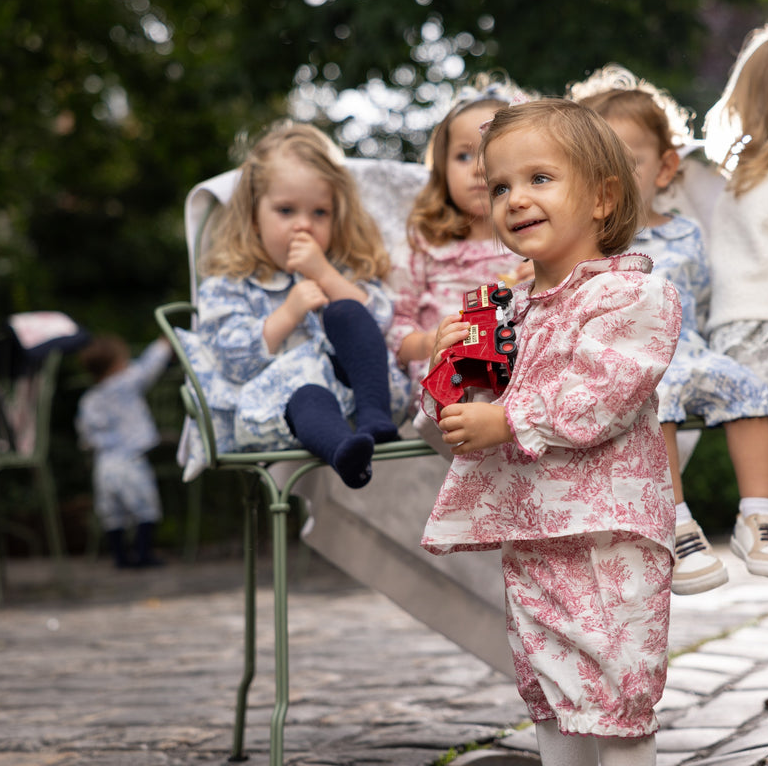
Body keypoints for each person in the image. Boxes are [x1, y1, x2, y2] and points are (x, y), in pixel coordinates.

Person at [420, 99, 682, 765]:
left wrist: (507, 417)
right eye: (501, 185)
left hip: (607, 536)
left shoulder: (630, 297)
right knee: (552, 689)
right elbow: (452, 428)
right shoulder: (505, 310)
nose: (512, 199)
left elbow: (605, 394)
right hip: (533, 534)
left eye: (540, 179)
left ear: (602, 197)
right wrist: (452, 373)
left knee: (617, 684)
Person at [571, 65, 768, 594]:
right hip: (634, 359)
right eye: (595, 164)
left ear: (664, 169)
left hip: (691, 348)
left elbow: (703, 298)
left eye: (629, 161)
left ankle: (759, 518)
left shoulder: (686, 231)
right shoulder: (587, 243)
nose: (610, 177)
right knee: (653, 395)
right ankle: (676, 522)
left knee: (750, 389)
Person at [178, 121, 409, 489]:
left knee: (348, 312)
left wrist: (327, 277)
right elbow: (231, 359)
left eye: (320, 213)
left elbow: (382, 321)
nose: (304, 226)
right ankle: (344, 453)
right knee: (306, 392)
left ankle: (376, 420)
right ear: (254, 216)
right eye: (286, 211)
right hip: (285, 409)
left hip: (363, 398)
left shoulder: (342, 269)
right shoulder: (230, 283)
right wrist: (287, 314)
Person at [388, 74, 535, 415]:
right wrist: (428, 343)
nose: (479, 168)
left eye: (493, 154)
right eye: (463, 157)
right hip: (446, 372)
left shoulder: (534, 238)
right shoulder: (424, 244)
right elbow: (396, 325)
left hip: (521, 369)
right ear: (441, 169)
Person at [703, 22, 768, 578]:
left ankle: (759, 516)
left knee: (749, 404)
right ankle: (759, 517)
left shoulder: (731, 176)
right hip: (761, 326)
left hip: (732, 332)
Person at [76, 334, 173, 568]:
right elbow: (149, 367)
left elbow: (85, 435)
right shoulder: (124, 384)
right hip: (131, 461)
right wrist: (163, 344)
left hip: (104, 464)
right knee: (145, 508)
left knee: (112, 514)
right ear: (118, 365)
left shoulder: (88, 400)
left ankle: (120, 557)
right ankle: (143, 554)